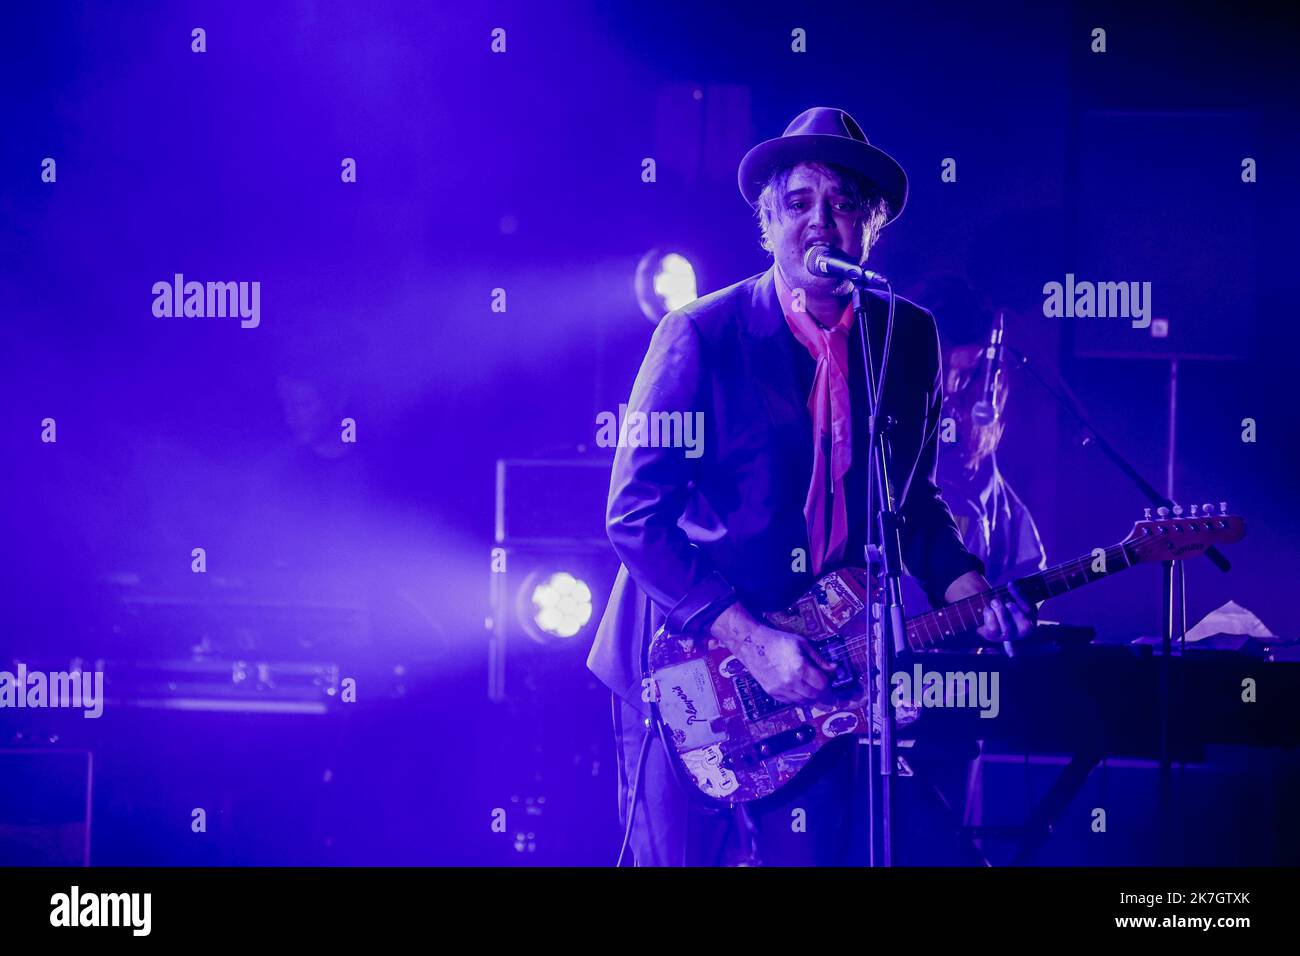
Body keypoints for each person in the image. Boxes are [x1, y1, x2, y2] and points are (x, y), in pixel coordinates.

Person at [588, 107, 1034, 866]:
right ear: (767, 222)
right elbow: (635, 519)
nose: (821, 222)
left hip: (819, 661)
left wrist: (965, 586)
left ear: (874, 224)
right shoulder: (702, 333)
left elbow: (912, 502)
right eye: (798, 203)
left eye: (844, 203)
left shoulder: (907, 336)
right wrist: (752, 641)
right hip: (688, 658)